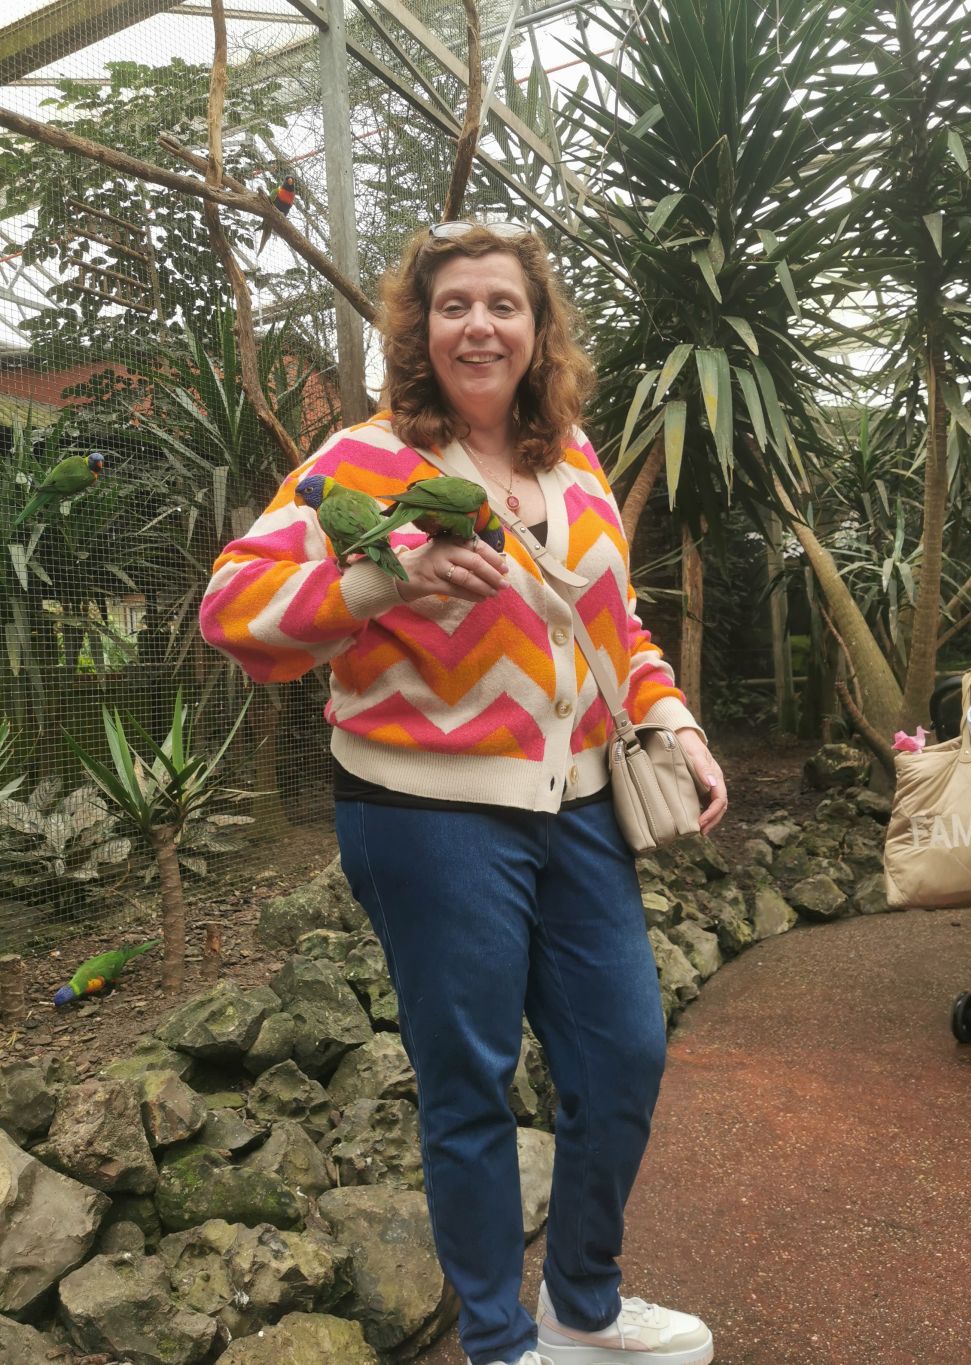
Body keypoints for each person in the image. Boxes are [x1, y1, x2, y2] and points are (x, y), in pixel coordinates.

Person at [200, 220, 727, 1365]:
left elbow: (613, 623)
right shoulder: (361, 461)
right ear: (419, 330)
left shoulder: (569, 456)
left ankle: (582, 1304)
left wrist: (670, 717)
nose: (478, 326)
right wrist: (381, 580)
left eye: (502, 304)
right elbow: (230, 610)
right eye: (453, 306)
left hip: (580, 805)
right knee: (470, 1083)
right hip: (424, 818)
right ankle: (497, 1341)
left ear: (537, 330)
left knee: (623, 1057)